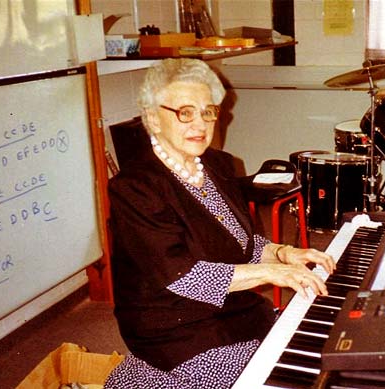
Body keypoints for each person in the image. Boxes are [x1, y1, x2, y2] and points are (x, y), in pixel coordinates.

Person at [105, 58, 334, 388]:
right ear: (154, 119)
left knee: (317, 350)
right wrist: (273, 272)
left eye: (207, 111)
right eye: (185, 112)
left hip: (236, 310)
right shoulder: (135, 188)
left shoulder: (217, 165)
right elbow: (184, 277)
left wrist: (283, 253)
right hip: (177, 330)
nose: (200, 124)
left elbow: (238, 241)